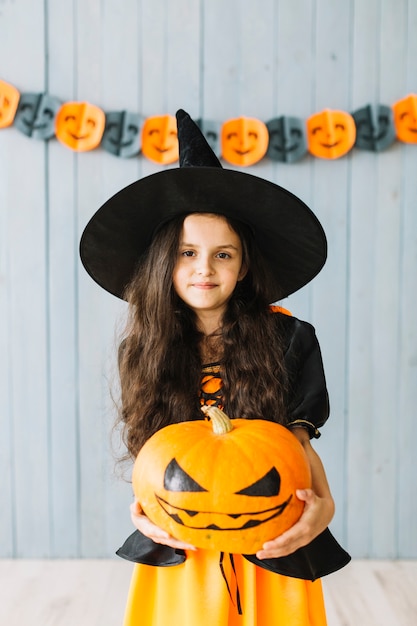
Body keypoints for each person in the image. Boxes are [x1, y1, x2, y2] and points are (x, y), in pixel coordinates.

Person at [79, 109, 350, 626]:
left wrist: (326, 502)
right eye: (188, 253)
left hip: (269, 533)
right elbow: (155, 454)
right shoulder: (145, 348)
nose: (205, 268)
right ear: (165, 262)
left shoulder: (289, 338)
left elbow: (297, 441)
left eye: (223, 255)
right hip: (185, 535)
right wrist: (144, 506)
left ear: (243, 265)